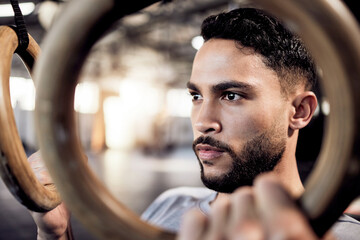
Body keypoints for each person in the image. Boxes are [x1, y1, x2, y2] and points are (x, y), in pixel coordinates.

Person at [29, 7, 360, 240]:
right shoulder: (170, 205)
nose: (203, 121)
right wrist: (55, 233)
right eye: (195, 96)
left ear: (300, 111)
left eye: (231, 96)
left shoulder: (343, 235)